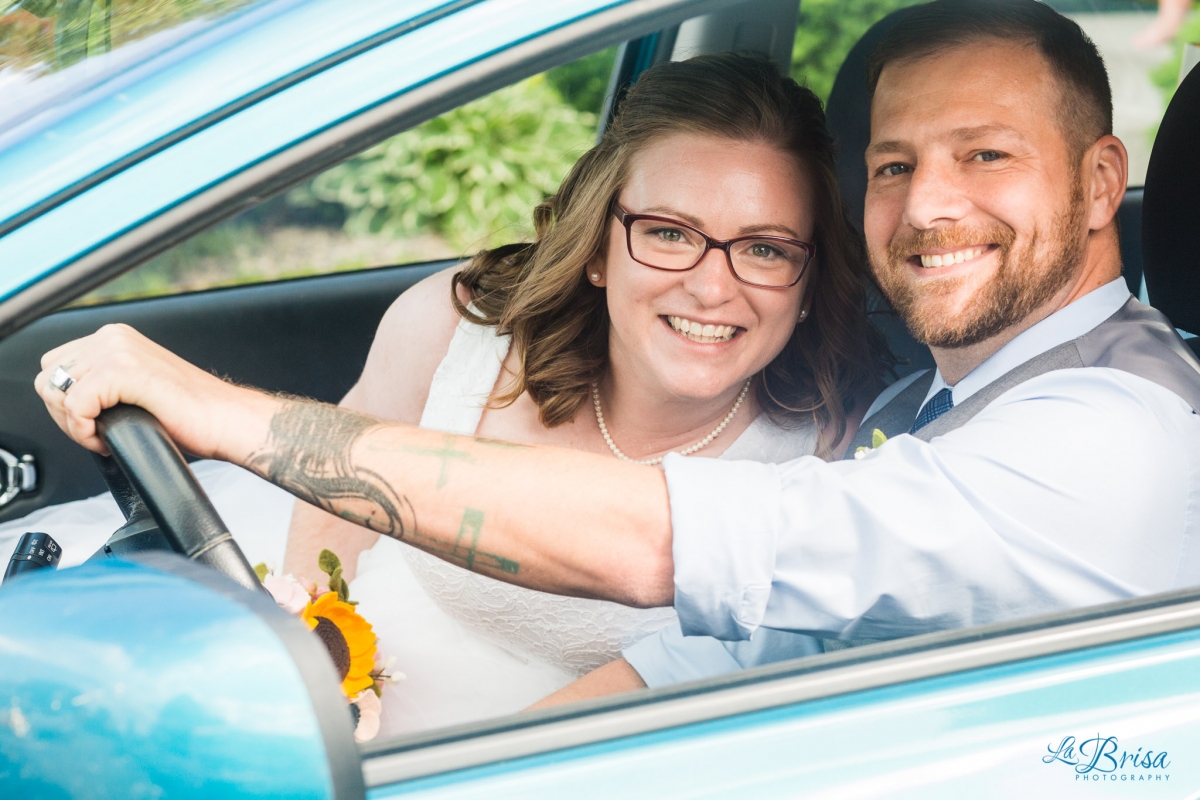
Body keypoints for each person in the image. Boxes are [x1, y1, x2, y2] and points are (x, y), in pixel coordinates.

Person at [34, 0, 1200, 712]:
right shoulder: (928, 396)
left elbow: (669, 542)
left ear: (1104, 180)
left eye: (986, 154)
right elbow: (717, 653)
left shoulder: (1116, 439)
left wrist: (233, 416)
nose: (929, 204)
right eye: (893, 166)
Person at [18, 53, 890, 733]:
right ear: (597, 247)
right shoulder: (457, 328)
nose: (710, 285)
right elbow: (328, 505)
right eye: (668, 233)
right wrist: (322, 668)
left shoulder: (829, 460)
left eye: (765, 248)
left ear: (809, 277)